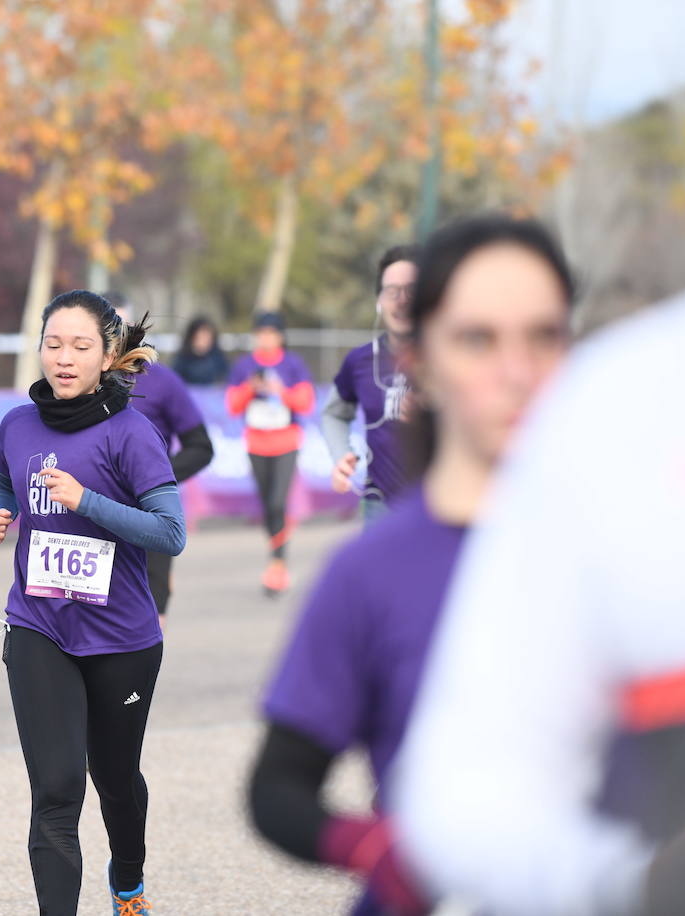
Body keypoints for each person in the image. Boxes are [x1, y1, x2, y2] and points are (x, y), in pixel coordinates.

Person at [393, 3, 685, 912]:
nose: (513, 371)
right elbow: (465, 792)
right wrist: (645, 890)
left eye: (542, 334)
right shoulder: (616, 416)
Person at [248, 216, 574, 916]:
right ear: (421, 361)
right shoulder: (369, 573)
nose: (515, 370)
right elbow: (276, 789)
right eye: (478, 338)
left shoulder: (629, 554)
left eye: (542, 336)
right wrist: (378, 852)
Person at [0, 290, 185, 915]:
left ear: (106, 356)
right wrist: (1, 508)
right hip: (39, 626)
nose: (64, 358)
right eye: (53, 343)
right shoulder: (18, 425)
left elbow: (170, 533)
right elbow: (0, 472)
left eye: (80, 346)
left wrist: (85, 502)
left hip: (122, 641)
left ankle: (128, 880)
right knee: (57, 791)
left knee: (115, 783)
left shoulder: (131, 433)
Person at [104, 292, 214, 625]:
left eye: (122, 325)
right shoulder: (78, 384)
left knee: (149, 620)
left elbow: (201, 447)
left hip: (151, 516)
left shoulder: (163, 381)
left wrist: (155, 476)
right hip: (93, 518)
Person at [320, 245, 420, 524]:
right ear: (379, 300)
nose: (401, 300)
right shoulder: (361, 361)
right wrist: (341, 456)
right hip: (380, 504)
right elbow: (333, 414)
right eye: (392, 291)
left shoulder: (452, 356)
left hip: (437, 505)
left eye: (411, 290)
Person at [224, 312, 315, 596]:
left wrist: (279, 390)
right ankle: (276, 556)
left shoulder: (293, 364)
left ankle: (278, 563)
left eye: (270, 333)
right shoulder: (245, 366)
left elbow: (306, 403)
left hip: (286, 442)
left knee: (278, 502)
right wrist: (251, 388)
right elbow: (232, 405)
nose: (265, 338)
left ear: (280, 336)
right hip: (256, 443)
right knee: (268, 505)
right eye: (260, 333)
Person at [172, 315, 229, 386]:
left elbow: (225, 381)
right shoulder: (182, 359)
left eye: (208, 338)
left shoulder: (218, 358)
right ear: (192, 337)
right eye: (201, 337)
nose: (204, 341)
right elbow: (174, 382)